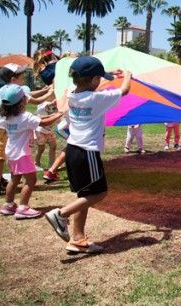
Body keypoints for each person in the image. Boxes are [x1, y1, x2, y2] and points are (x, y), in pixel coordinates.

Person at [45, 56, 131, 254]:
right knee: (99, 192)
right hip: (87, 152)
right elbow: (124, 91)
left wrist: (107, 71)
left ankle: (77, 238)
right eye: (99, 79)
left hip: (73, 150)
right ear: (93, 80)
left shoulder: (73, 94)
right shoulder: (96, 99)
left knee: (84, 194)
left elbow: (87, 80)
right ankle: (61, 214)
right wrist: (127, 75)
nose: (101, 81)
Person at [0, 63, 54, 197]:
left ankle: (0, 180)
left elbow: (30, 94)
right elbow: (35, 100)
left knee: (2, 156)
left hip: (0, 128)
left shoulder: (10, 90)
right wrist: (50, 92)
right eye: (21, 75)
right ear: (13, 79)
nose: (24, 77)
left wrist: (45, 89)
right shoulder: (12, 92)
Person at [0, 85, 63, 218]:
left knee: (14, 179)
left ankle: (8, 205)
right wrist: (59, 113)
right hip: (22, 155)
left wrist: (52, 115)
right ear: (22, 102)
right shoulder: (25, 117)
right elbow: (44, 123)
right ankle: (23, 208)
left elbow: (41, 120)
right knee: (31, 180)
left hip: (11, 153)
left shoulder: (9, 117)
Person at [42, 117, 69, 183]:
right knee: (73, 147)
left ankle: (51, 172)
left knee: (73, 147)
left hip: (64, 127)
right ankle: (51, 171)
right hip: (64, 128)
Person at [34, 99, 58, 170]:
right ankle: (37, 164)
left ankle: (51, 165)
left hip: (50, 130)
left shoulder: (56, 104)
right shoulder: (41, 103)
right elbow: (39, 117)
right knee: (41, 148)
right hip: (40, 130)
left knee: (53, 147)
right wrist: (52, 115)